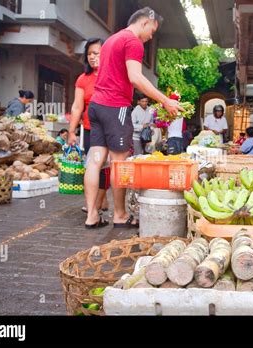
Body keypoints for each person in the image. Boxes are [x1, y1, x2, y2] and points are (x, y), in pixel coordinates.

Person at [84, 7, 184, 229]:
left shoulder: (111, 40)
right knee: (119, 163)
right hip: (114, 107)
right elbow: (136, 78)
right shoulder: (133, 42)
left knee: (95, 160)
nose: (150, 38)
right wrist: (165, 100)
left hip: (96, 105)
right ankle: (119, 215)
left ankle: (91, 215)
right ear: (145, 22)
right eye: (152, 31)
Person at [67, 38, 110, 221]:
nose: (92, 57)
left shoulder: (112, 74)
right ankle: (95, 204)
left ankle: (98, 203)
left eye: (96, 53)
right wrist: (71, 131)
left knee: (105, 167)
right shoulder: (82, 79)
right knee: (94, 166)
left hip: (110, 128)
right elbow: (77, 107)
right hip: (90, 129)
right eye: (89, 53)